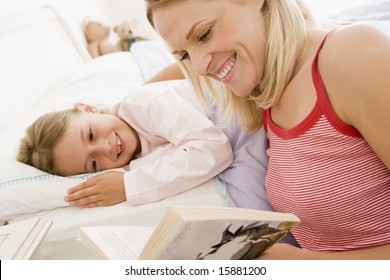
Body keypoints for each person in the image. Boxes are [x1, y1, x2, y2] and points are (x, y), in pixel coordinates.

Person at [144, 0, 390, 259]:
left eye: (204, 35)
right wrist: (114, 111)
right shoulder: (264, 91)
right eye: (184, 55)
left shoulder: (355, 54)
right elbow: (177, 75)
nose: (200, 68)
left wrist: (307, 263)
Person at [17, 80, 233, 207]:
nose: (105, 148)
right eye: (93, 163)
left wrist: (129, 184)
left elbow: (212, 148)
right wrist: (129, 169)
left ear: (89, 109)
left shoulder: (144, 103)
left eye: (90, 134)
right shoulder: (134, 160)